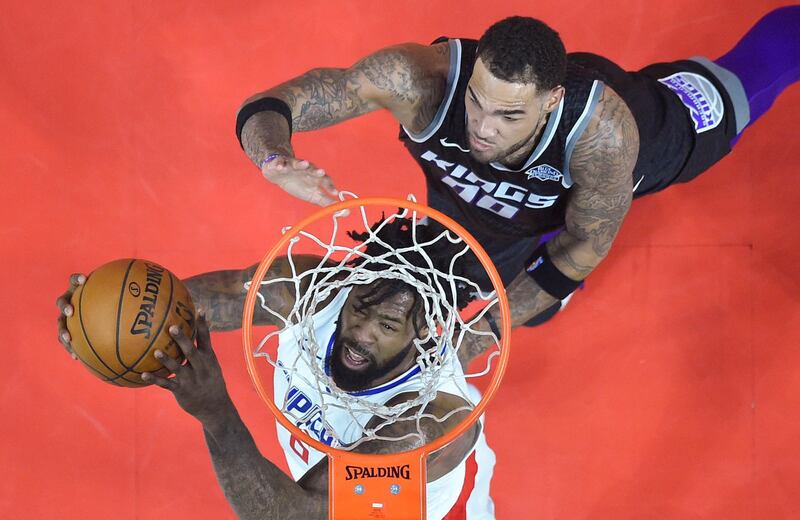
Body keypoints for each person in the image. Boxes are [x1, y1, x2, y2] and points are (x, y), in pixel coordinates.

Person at [235, 7, 800, 335]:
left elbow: (584, 246)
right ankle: (529, 233)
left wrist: (478, 341)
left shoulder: (605, 138)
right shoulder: (419, 80)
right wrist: (273, 160)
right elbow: (272, 104)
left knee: (745, 79)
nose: (481, 128)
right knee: (525, 307)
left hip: (645, 137)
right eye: (477, 102)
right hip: (496, 208)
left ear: (551, 100)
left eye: (507, 116)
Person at [56, 217, 498, 520]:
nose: (361, 333)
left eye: (386, 325)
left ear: (424, 331)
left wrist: (216, 414)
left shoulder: (432, 426)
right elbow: (193, 308)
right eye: (360, 309)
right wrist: (103, 322)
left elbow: (293, 513)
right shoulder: (310, 292)